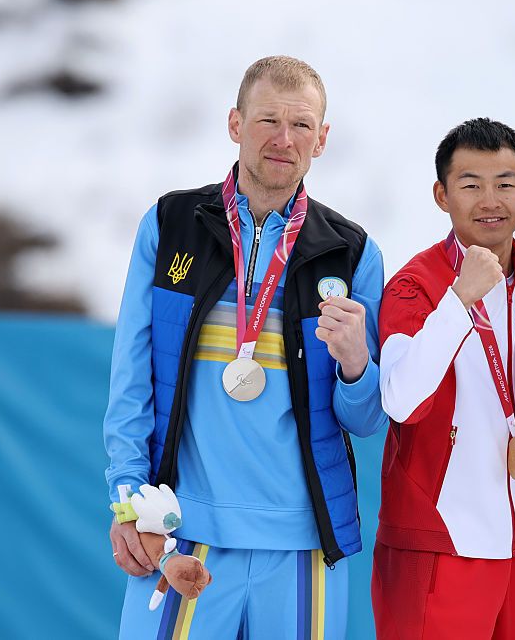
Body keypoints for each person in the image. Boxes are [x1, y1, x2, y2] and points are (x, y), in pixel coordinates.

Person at [104, 55, 387, 639]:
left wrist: (358, 365)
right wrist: (129, 502)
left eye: (302, 125)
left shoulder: (353, 253)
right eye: (268, 121)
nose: (285, 140)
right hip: (184, 529)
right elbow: (131, 380)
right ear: (235, 124)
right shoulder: (170, 224)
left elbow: (363, 420)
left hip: (304, 542)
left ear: (323, 138)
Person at [371, 118, 515, 639]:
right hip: (436, 544)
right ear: (441, 195)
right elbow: (400, 399)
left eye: (505, 183)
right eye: (470, 185)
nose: (490, 200)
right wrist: (460, 299)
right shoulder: (415, 284)